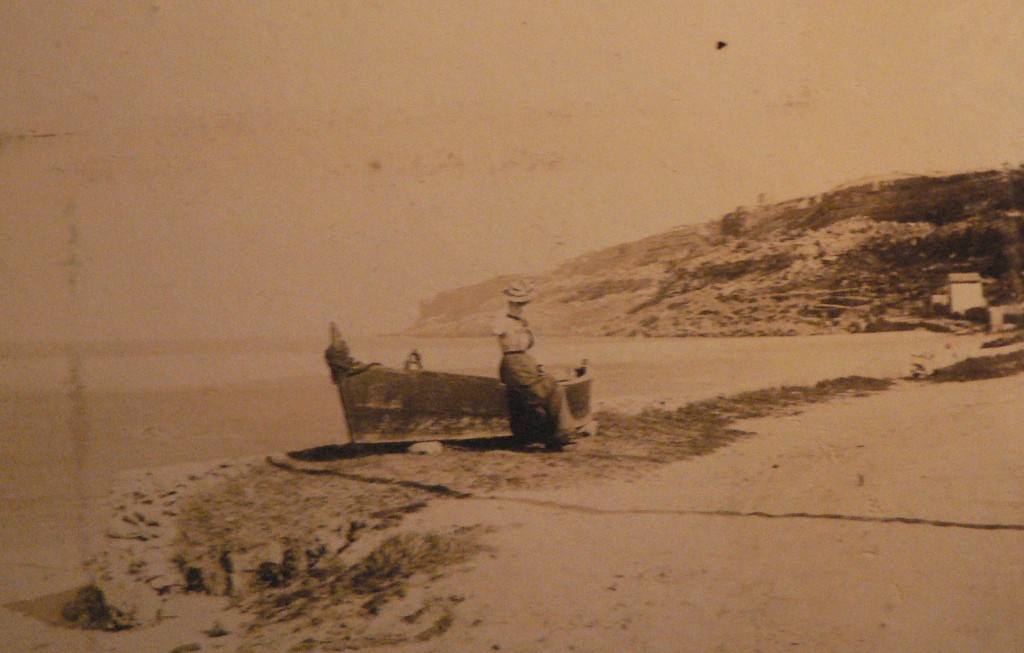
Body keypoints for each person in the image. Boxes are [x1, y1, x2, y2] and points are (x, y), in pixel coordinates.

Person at [493, 279, 575, 450]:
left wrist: (537, 365)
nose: (521, 306)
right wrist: (507, 310)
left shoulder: (520, 321)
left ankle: (558, 434)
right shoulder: (502, 318)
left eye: (522, 302)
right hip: (514, 365)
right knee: (551, 389)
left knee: (553, 387)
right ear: (511, 301)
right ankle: (560, 435)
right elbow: (496, 330)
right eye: (517, 302)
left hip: (526, 362)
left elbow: (527, 347)